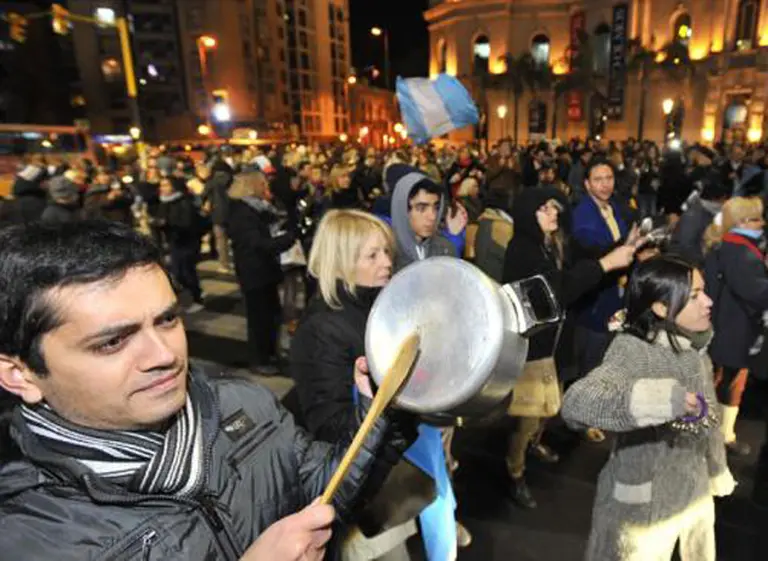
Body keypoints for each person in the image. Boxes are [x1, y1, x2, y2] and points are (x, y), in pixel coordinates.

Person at [0, 220, 410, 561]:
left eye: (166, 320)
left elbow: (327, 487)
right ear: (20, 374)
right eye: (112, 342)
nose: (163, 355)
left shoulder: (243, 404)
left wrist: (379, 412)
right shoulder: (31, 538)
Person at [562, 257, 735, 561]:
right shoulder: (635, 351)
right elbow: (578, 403)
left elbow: (709, 422)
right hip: (643, 508)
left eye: (704, 291)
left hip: (691, 496)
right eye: (694, 296)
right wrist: (658, 400)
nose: (708, 302)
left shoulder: (694, 351)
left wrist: (717, 470)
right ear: (660, 308)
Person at [290, 210, 429, 561]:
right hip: (358, 493)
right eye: (373, 255)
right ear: (340, 263)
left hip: (381, 475)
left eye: (386, 252)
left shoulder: (374, 309)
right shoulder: (323, 330)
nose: (386, 263)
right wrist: (399, 411)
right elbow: (331, 431)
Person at [502, 187, 638, 509]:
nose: (554, 214)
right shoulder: (521, 249)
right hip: (533, 347)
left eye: (555, 208)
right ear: (527, 214)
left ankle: (535, 444)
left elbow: (588, 258)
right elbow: (557, 289)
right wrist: (607, 264)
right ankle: (515, 471)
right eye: (545, 209)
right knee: (528, 414)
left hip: (558, 341)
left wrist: (623, 247)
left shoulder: (554, 242)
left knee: (550, 405)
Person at [703, 196, 768, 456]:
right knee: (730, 382)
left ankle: (721, 434)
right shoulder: (741, 252)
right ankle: (721, 437)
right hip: (736, 327)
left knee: (728, 381)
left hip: (729, 324)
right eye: (757, 218)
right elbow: (756, 292)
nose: (762, 223)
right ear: (742, 222)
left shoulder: (731, 244)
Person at [227, 171, 295, 375]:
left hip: (265, 271)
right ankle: (260, 359)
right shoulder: (243, 212)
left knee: (272, 315)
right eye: (262, 184)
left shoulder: (256, 208)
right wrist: (287, 240)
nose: (267, 188)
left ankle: (271, 352)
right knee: (259, 319)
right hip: (254, 272)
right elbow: (258, 244)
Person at [386, 164, 468, 271]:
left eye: (436, 207)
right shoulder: (385, 254)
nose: (433, 216)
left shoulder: (445, 248)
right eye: (421, 208)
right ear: (402, 210)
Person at [156, 177, 205, 314]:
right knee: (178, 272)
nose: (163, 188)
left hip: (186, 241)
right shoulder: (164, 201)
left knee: (186, 271)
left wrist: (168, 224)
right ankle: (191, 296)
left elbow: (187, 223)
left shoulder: (183, 202)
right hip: (174, 241)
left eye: (166, 185)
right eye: (161, 185)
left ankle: (197, 298)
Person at [668, 172, 729, 267]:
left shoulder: (706, 211)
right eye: (723, 199)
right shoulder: (694, 215)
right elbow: (686, 246)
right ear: (716, 199)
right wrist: (704, 261)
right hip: (688, 264)